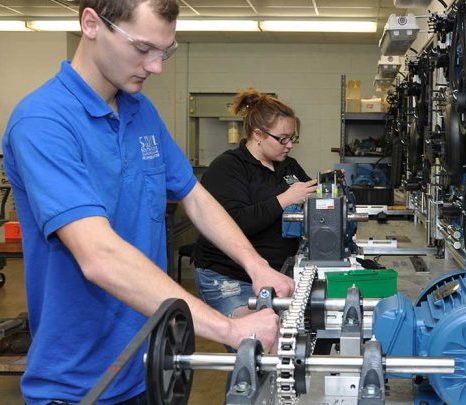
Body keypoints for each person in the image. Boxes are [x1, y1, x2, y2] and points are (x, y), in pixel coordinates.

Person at [1, 1, 294, 404]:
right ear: (91, 24)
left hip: (151, 365)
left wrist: (256, 266)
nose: (156, 66)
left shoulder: (141, 111)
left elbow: (194, 196)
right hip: (80, 384)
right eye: (142, 48)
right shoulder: (43, 122)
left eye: (165, 51)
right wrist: (227, 328)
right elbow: (99, 255)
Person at [192, 88, 318, 318]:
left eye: (293, 138)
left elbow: (309, 199)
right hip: (230, 277)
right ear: (258, 134)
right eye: (283, 139)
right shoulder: (228, 168)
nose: (289, 145)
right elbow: (232, 224)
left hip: (277, 273)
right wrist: (285, 199)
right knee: (257, 339)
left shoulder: (288, 166)